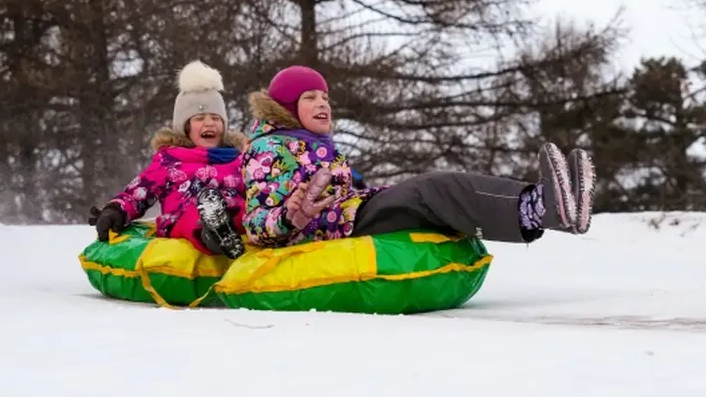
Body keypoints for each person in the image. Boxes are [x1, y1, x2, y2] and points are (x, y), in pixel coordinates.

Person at [241, 65, 596, 248]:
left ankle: (555, 211)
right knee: (432, 190)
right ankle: (538, 206)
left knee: (432, 194)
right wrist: (291, 215)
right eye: (309, 97)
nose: (322, 104)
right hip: (328, 229)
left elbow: (349, 189)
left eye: (325, 97)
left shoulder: (318, 148)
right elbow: (256, 223)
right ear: (285, 106)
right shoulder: (269, 151)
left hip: (345, 217)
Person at [88, 60, 246, 259]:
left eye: (216, 118)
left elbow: (259, 188)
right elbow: (139, 191)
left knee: (244, 210)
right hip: (183, 219)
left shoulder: (239, 160)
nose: (209, 124)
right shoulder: (169, 161)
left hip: (233, 213)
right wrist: (116, 210)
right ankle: (212, 232)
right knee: (193, 216)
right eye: (199, 118)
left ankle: (225, 230)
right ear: (184, 126)